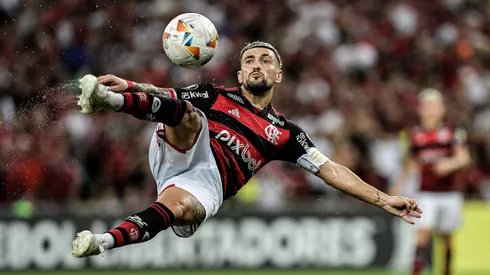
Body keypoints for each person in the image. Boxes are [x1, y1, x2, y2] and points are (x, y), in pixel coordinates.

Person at [71, 41, 422, 257]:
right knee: (189, 114)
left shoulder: (285, 133)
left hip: (208, 185)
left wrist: (384, 198)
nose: (257, 64)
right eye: (250, 60)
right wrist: (129, 87)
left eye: (265, 60)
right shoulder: (216, 96)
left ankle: (101, 242)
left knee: (178, 210)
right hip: (182, 148)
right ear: (240, 75)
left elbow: (331, 170)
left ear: (279, 75)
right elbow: (167, 94)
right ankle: (108, 100)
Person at [390, 88, 471, 275]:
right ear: (420, 110)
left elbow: (464, 158)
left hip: (450, 194)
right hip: (426, 193)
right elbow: (411, 164)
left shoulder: (452, 132)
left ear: (442, 109)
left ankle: (447, 271)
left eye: (434, 106)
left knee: (447, 239)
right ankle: (416, 271)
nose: (430, 111)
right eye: (426, 106)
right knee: (423, 235)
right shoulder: (414, 135)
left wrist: (448, 165)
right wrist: (398, 186)